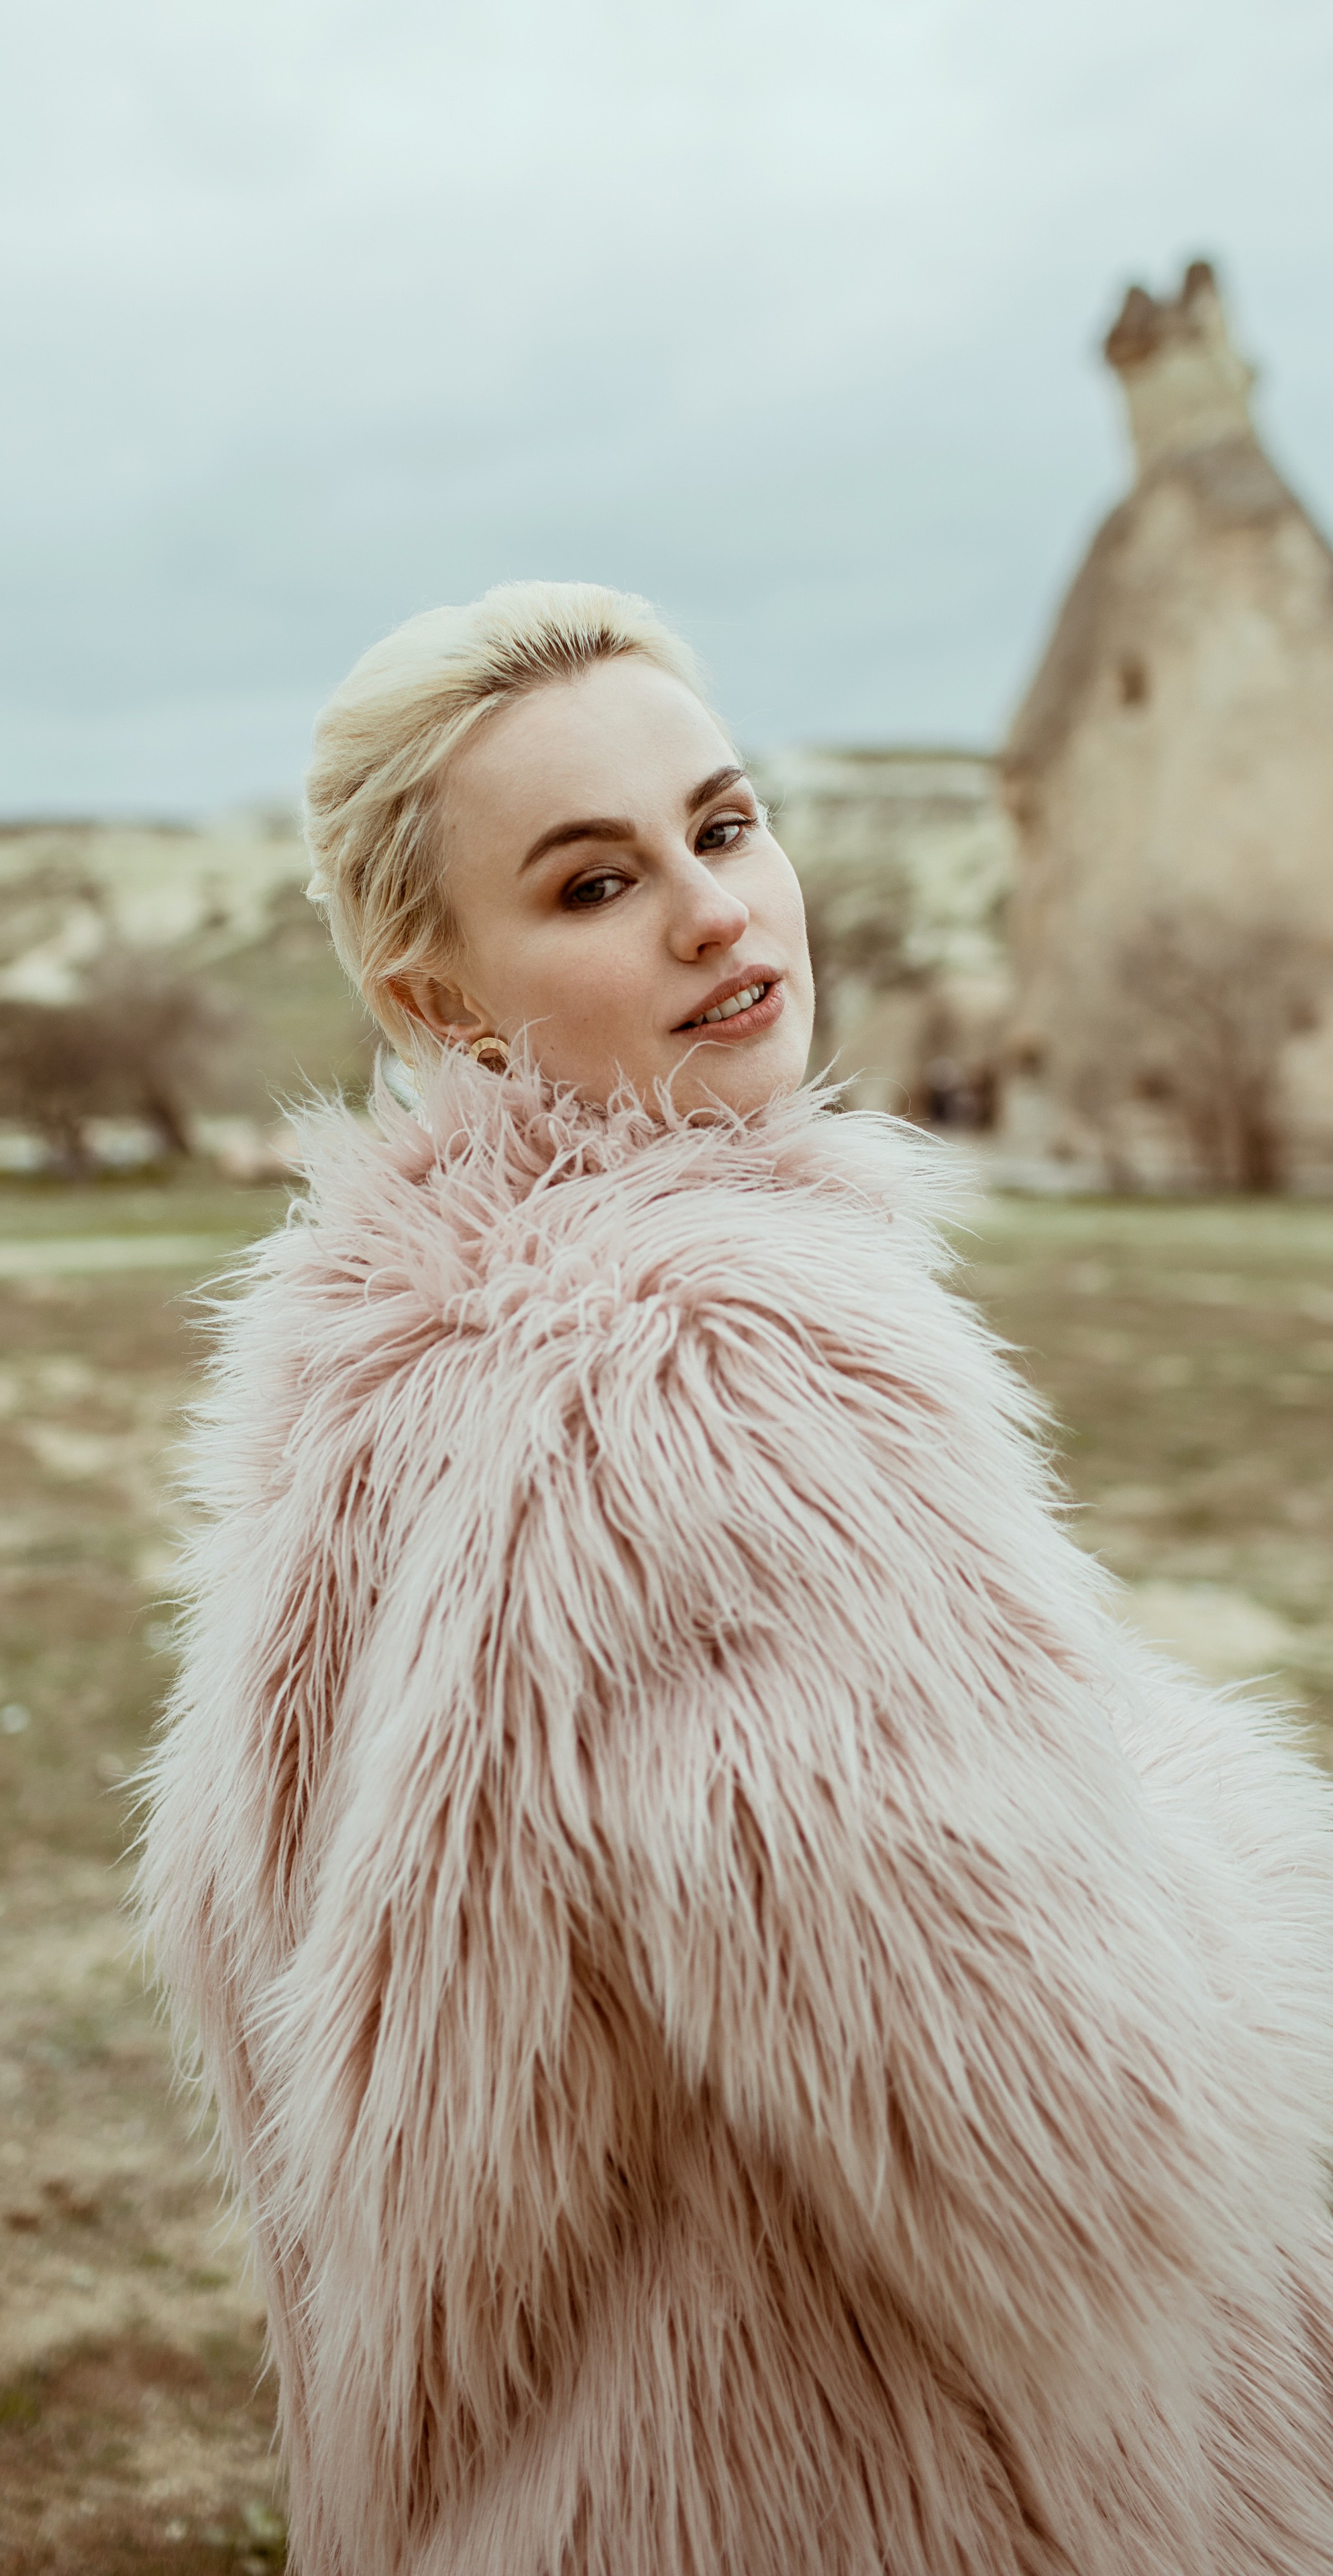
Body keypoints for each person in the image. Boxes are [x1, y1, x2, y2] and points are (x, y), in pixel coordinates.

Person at [139, 582, 1333, 2575]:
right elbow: (1062, 2144)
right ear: (436, 1001)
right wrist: (1241, 1850)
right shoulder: (716, 1379)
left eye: (723, 822)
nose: (718, 912)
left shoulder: (361, 1375)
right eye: (595, 885)